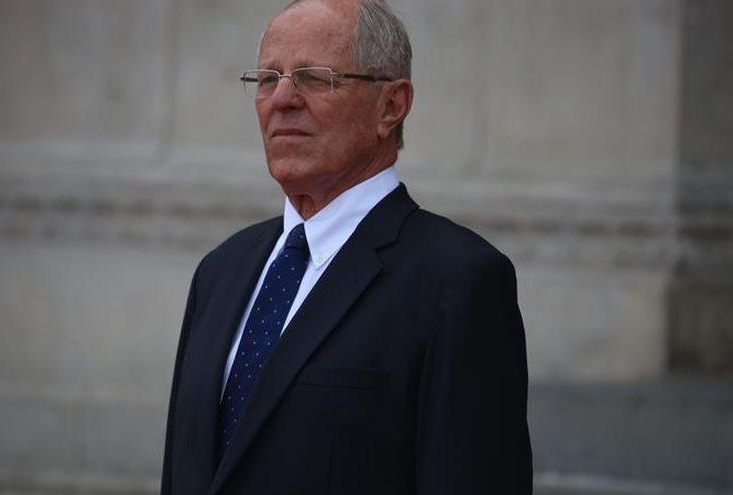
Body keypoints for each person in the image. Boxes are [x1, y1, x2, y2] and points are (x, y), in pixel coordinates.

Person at [161, 0, 532, 493]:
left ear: (391, 106)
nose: (282, 99)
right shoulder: (220, 270)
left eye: (314, 78)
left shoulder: (458, 281)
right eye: (268, 79)